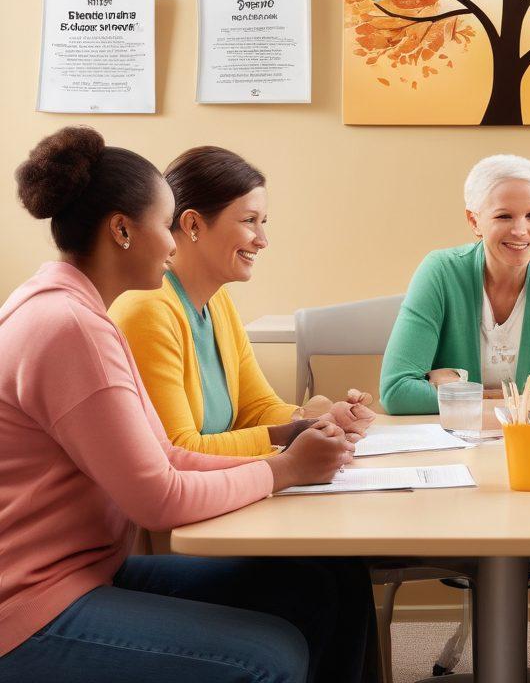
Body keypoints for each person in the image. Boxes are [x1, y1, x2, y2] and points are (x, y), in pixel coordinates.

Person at [0, 127, 376, 682]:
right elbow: (158, 499)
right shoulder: (70, 327)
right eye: (166, 223)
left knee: (313, 586)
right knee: (267, 660)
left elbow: (165, 457)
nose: (175, 243)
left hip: (86, 573)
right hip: (33, 603)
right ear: (122, 230)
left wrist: (290, 459)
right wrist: (282, 470)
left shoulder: (81, 313)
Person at [111, 145, 375, 456]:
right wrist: (294, 433)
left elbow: (257, 408)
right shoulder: (147, 310)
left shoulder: (217, 300)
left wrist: (319, 420)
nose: (262, 240)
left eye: (263, 222)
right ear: (193, 224)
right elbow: (179, 449)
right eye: (249, 220)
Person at [379, 154, 530, 424]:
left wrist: (458, 392)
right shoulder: (440, 271)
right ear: (474, 221)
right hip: (455, 448)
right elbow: (396, 393)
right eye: (504, 216)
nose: (521, 230)